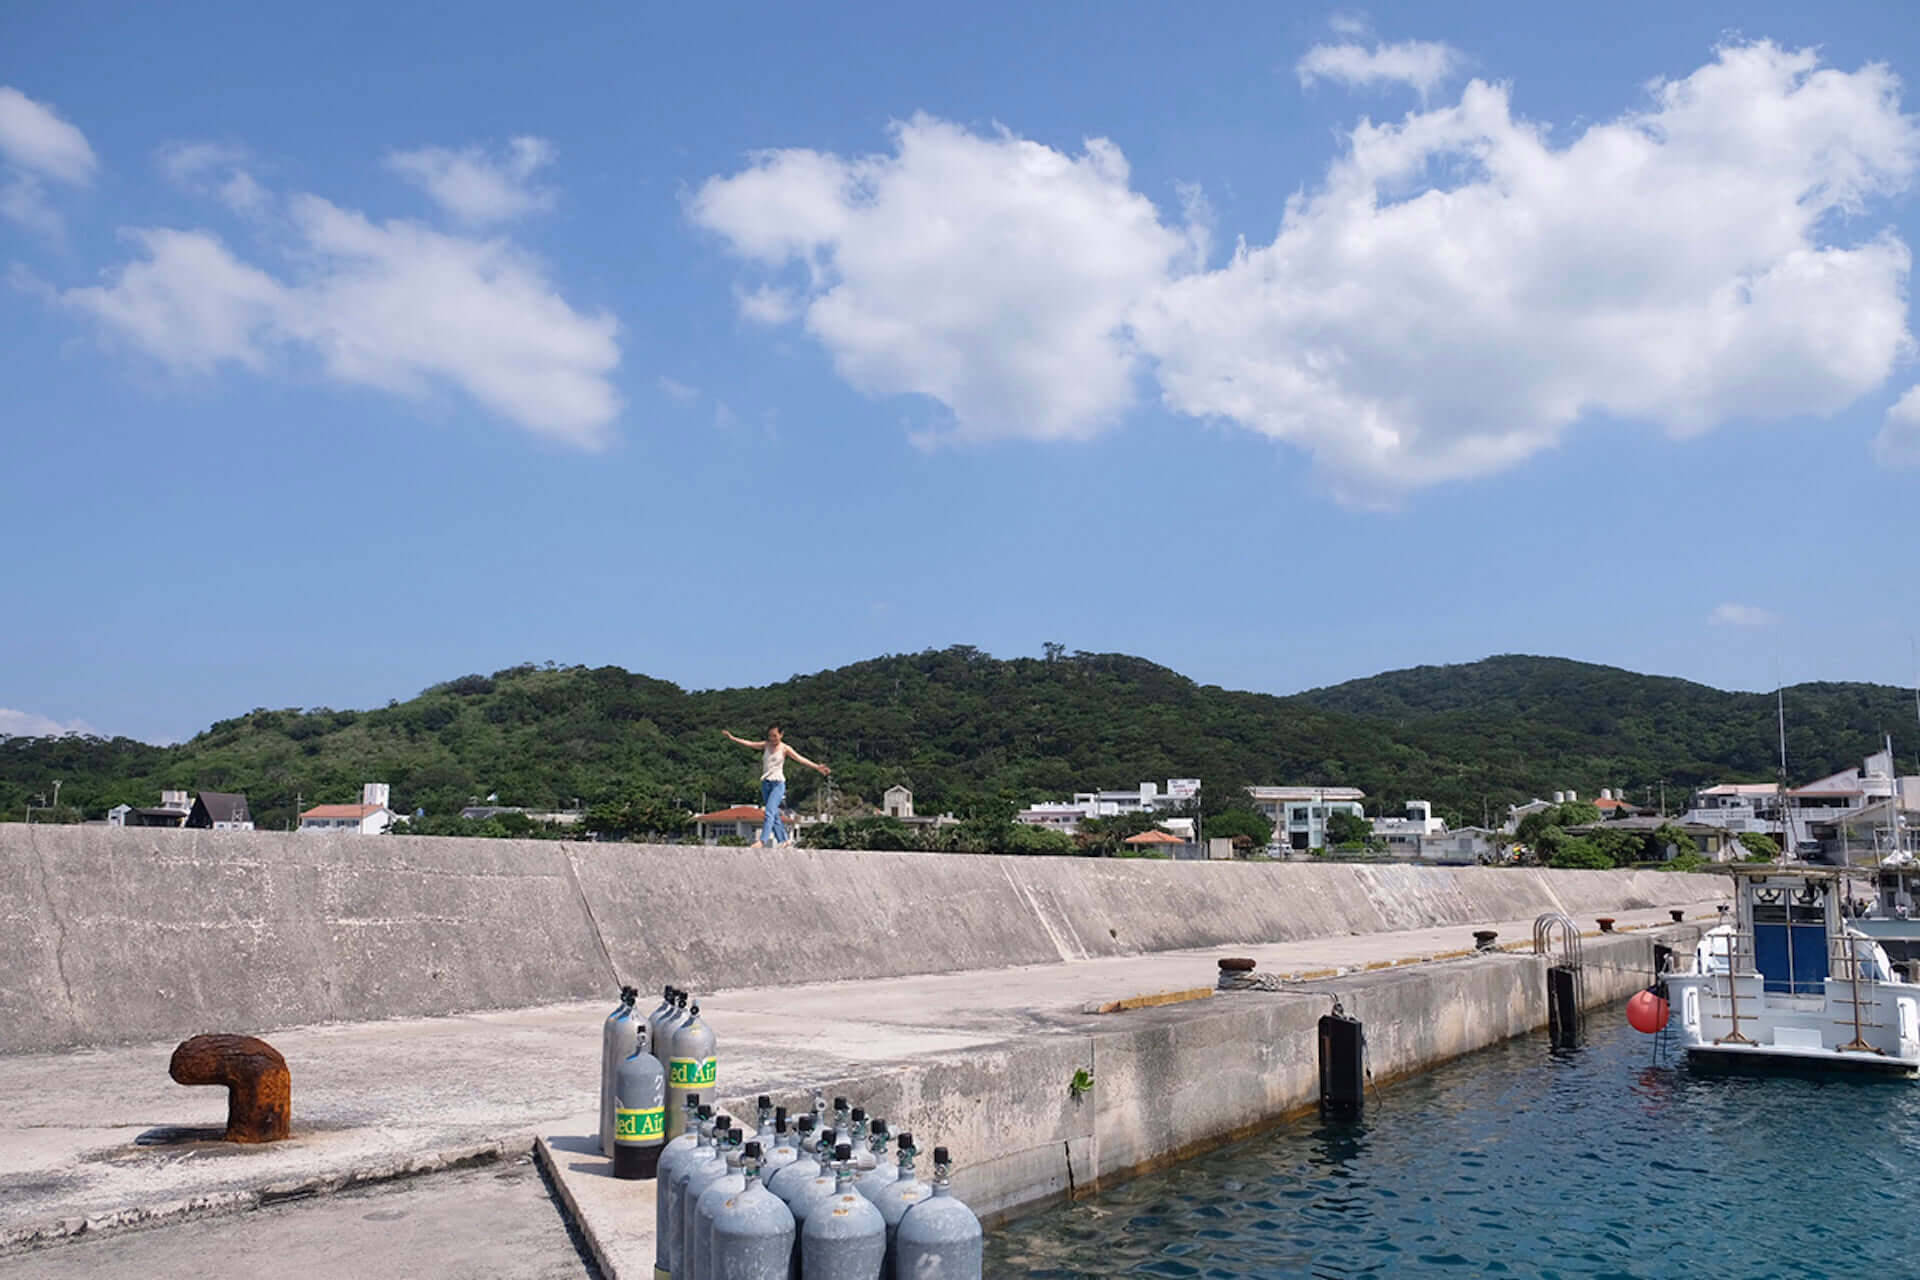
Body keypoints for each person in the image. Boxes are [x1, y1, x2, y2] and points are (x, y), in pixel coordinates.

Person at [721, 725, 830, 848]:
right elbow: (750, 744)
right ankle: (784, 840)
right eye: (770, 736)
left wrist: (817, 767)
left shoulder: (785, 749)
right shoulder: (766, 745)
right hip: (765, 784)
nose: (772, 738)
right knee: (774, 814)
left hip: (778, 784)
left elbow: (800, 759)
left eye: (775, 736)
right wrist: (732, 738)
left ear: (781, 735)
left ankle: (762, 840)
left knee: (769, 812)